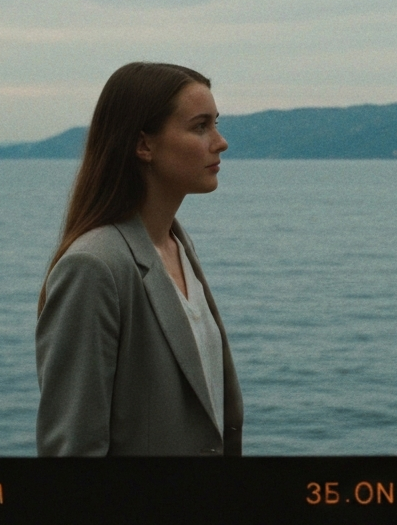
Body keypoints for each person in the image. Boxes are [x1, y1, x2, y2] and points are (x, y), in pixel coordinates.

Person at [35, 62, 242, 456]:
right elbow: (72, 450)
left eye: (216, 123)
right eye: (200, 127)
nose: (220, 141)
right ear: (144, 145)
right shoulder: (94, 267)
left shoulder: (177, 244)